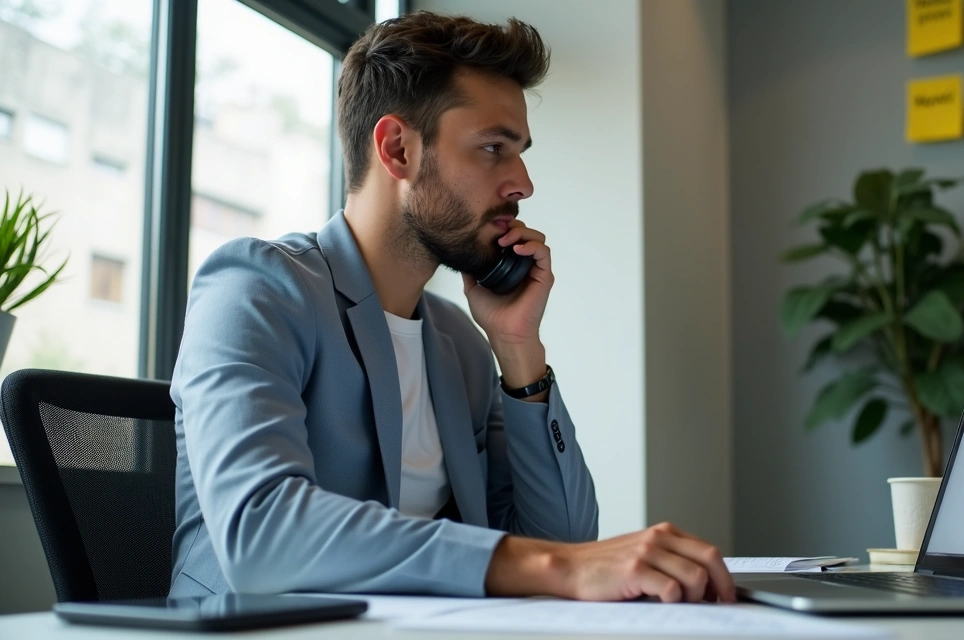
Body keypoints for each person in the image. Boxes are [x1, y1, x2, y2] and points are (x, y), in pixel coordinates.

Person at [169, 12, 734, 604]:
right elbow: (262, 537)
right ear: (398, 149)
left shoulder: (457, 343)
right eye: (494, 148)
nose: (522, 184)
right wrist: (553, 566)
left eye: (519, 153)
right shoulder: (256, 289)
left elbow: (562, 539)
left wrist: (518, 351)